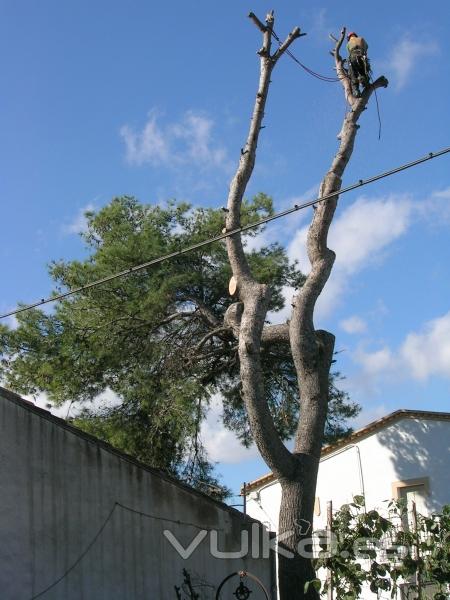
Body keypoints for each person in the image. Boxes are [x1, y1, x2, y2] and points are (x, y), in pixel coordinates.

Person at [346, 32, 370, 97]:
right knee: (364, 72)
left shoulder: (348, 44)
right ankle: (365, 82)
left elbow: (349, 52)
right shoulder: (361, 39)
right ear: (355, 35)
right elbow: (366, 47)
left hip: (353, 58)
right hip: (362, 57)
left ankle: (356, 91)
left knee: (353, 74)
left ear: (349, 38)